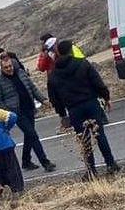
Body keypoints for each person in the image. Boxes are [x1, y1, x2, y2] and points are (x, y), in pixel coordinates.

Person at [47, 40, 120, 179]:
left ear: (59, 53)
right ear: (71, 50)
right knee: (100, 136)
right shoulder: (82, 64)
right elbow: (97, 82)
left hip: (74, 109)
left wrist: (62, 114)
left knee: (84, 140)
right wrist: (106, 97)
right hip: (90, 103)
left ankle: (91, 171)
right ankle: (111, 164)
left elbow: (54, 97)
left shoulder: (53, 74)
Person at [0, 55, 56, 172]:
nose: (9, 69)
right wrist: (8, 111)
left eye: (10, 66)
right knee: (32, 135)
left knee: (29, 135)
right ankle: (45, 162)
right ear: (1, 68)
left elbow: (32, 88)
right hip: (16, 113)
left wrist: (43, 99)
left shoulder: (21, 73)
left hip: (29, 108)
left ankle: (26, 161)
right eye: (6, 67)